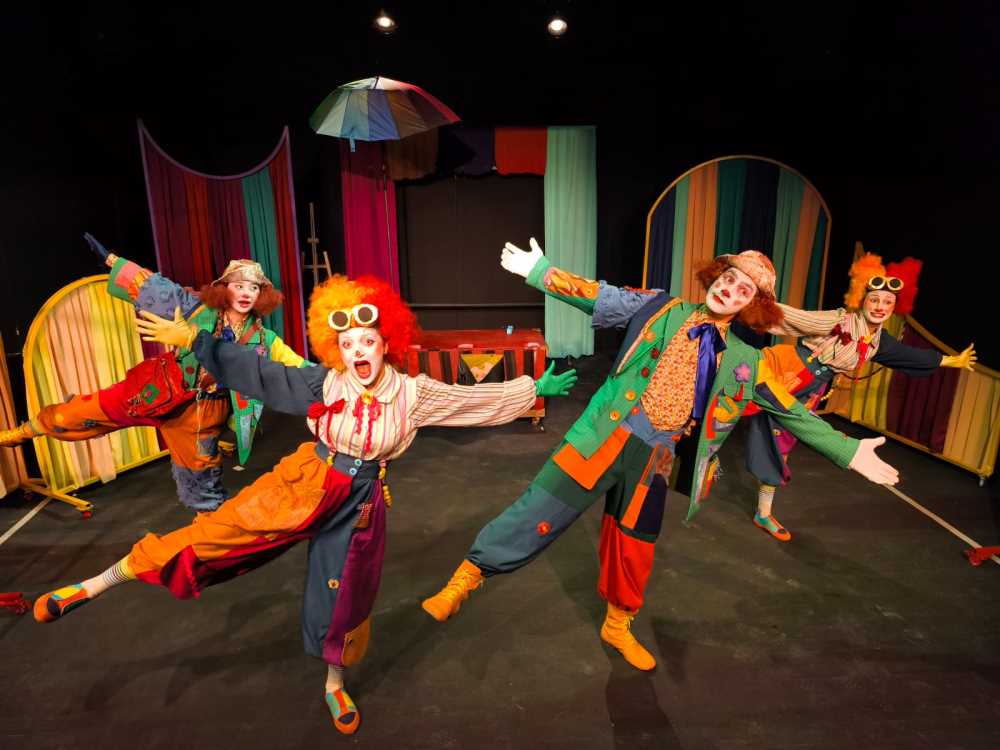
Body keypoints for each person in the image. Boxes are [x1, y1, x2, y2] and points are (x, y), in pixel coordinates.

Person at [32, 273, 578, 735]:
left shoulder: (412, 394)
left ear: (386, 343)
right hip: (307, 480)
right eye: (348, 343)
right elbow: (259, 373)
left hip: (362, 502)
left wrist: (531, 391)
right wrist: (197, 340)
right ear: (336, 349)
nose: (358, 351)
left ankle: (334, 684)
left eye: (368, 341)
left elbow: (469, 400)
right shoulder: (324, 385)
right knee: (217, 534)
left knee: (344, 594)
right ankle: (97, 583)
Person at [421, 239, 899, 673]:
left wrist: (848, 451)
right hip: (602, 437)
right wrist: (542, 272)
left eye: (744, 290)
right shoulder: (660, 307)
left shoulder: (743, 360)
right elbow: (598, 296)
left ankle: (617, 625)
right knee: (539, 508)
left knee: (634, 545)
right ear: (717, 276)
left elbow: (789, 410)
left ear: (751, 305)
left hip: (656, 459)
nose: (730, 290)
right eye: (729, 278)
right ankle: (465, 580)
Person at [0, 234, 308, 511]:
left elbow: (297, 365)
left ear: (261, 295)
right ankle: (23, 432)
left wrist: (330, 375)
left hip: (201, 416)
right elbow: (156, 289)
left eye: (253, 288)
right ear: (224, 288)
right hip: (155, 389)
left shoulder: (264, 341)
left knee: (203, 485)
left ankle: (209, 537)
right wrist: (113, 261)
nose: (246, 293)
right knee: (72, 415)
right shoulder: (197, 309)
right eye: (239, 285)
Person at [746, 258, 976, 542]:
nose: (880, 306)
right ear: (861, 300)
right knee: (726, 407)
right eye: (874, 299)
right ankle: (704, 462)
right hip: (785, 371)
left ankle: (763, 513)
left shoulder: (878, 342)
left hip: (809, 390)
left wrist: (951, 361)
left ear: (895, 307)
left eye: (888, 302)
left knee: (780, 445)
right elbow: (793, 317)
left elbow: (910, 356)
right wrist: (748, 301)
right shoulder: (838, 321)